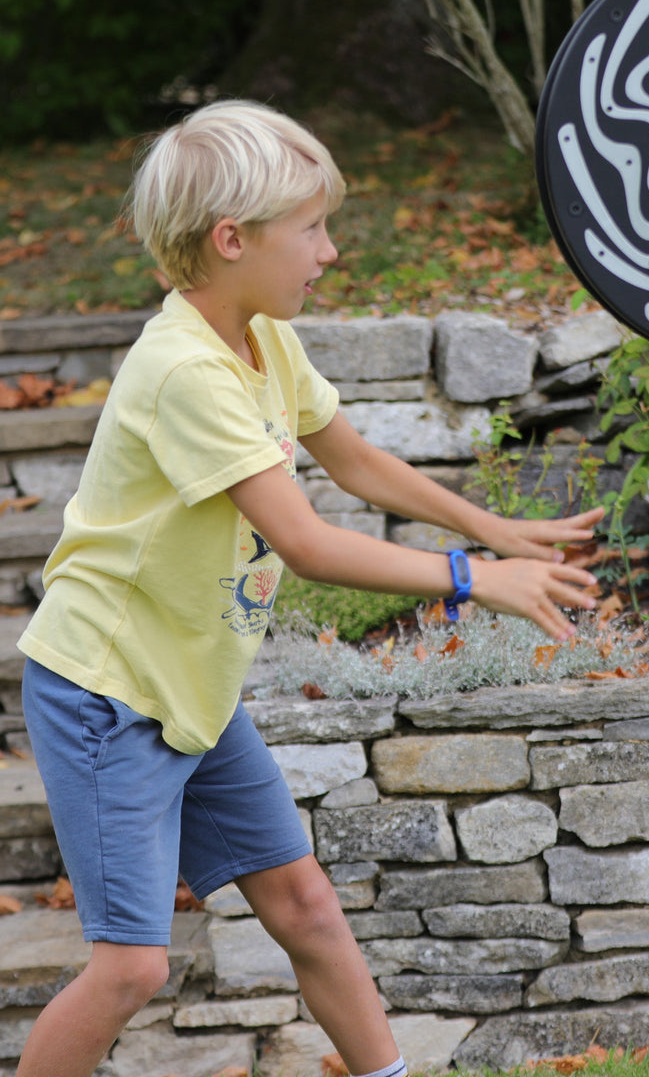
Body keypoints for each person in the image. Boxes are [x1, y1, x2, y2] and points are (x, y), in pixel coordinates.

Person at [15, 99, 603, 1077]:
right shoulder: (185, 371)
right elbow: (307, 542)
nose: (330, 252)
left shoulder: (264, 339)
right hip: (107, 693)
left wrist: (493, 528)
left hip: (192, 684)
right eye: (313, 228)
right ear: (231, 239)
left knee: (307, 906)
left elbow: (360, 464)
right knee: (130, 969)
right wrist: (473, 577)